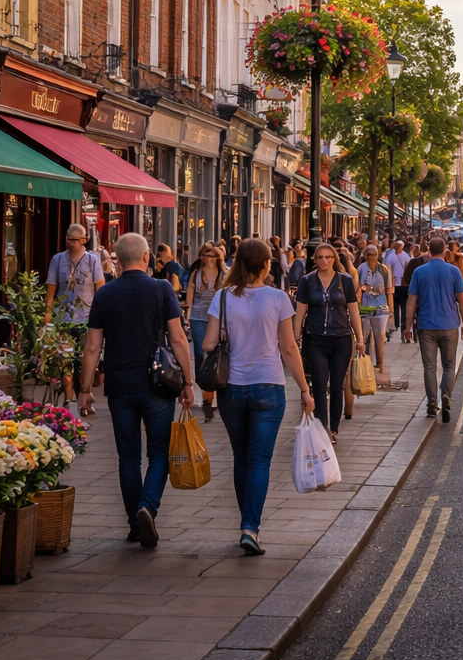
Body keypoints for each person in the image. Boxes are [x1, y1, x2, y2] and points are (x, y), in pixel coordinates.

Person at [81, 233, 193, 549]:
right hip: (158, 385)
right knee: (159, 453)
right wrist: (188, 381)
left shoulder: (104, 295)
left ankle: (134, 522)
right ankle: (148, 506)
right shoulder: (162, 289)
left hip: (119, 386)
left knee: (127, 458)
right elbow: (179, 339)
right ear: (146, 258)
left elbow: (92, 346)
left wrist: (85, 388)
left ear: (117, 259)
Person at [203, 238, 313, 555]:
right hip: (268, 387)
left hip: (232, 389)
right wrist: (305, 390)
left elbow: (208, 344)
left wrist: (224, 335)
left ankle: (246, 524)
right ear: (266, 265)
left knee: (242, 458)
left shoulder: (222, 298)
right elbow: (289, 348)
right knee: (260, 461)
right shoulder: (278, 298)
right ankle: (250, 527)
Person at [295, 242, 363, 442]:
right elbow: (300, 311)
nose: (324, 261)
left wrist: (359, 338)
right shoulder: (307, 281)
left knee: (336, 385)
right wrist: (296, 335)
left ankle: (333, 428)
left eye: (328, 257)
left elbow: (353, 310)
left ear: (335, 259)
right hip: (315, 339)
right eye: (320, 257)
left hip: (341, 339)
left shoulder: (345, 281)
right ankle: (322, 429)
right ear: (315, 260)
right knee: (318, 385)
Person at [404, 238, 463, 423]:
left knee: (429, 367)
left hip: (426, 326)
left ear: (429, 251)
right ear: (445, 250)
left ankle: (432, 403)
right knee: (449, 365)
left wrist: (407, 327)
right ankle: (446, 394)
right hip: (449, 325)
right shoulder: (454, 271)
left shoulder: (419, 272)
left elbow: (411, 302)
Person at [186, 243, 226, 422]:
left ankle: (216, 390)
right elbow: (190, 294)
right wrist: (187, 314)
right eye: (205, 255)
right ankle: (206, 394)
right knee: (200, 354)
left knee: (217, 355)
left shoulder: (224, 274)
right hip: (198, 317)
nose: (208, 259)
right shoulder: (196, 274)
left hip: (217, 318)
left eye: (212, 256)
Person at [45, 224, 105, 326]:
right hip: (62, 317)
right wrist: (48, 312)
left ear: (83, 240)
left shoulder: (93, 260)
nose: (69, 242)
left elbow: (100, 288)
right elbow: (51, 288)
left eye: (73, 239)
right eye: (68, 238)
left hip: (87, 317)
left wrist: (101, 314)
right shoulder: (57, 259)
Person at [357, 246, 393, 382]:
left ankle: (380, 365)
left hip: (381, 309)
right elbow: (358, 290)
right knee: (364, 337)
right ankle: (364, 363)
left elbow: (389, 291)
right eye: (369, 254)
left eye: (374, 254)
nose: (372, 257)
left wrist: (391, 311)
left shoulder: (384, 270)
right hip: (365, 308)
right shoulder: (361, 269)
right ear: (366, 255)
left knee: (380, 338)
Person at [385, 241, 411, 342]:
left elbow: (388, 270)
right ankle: (401, 323)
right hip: (402, 284)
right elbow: (408, 269)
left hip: (395, 284)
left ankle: (397, 324)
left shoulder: (390, 257)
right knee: (402, 304)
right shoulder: (406, 256)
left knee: (396, 305)